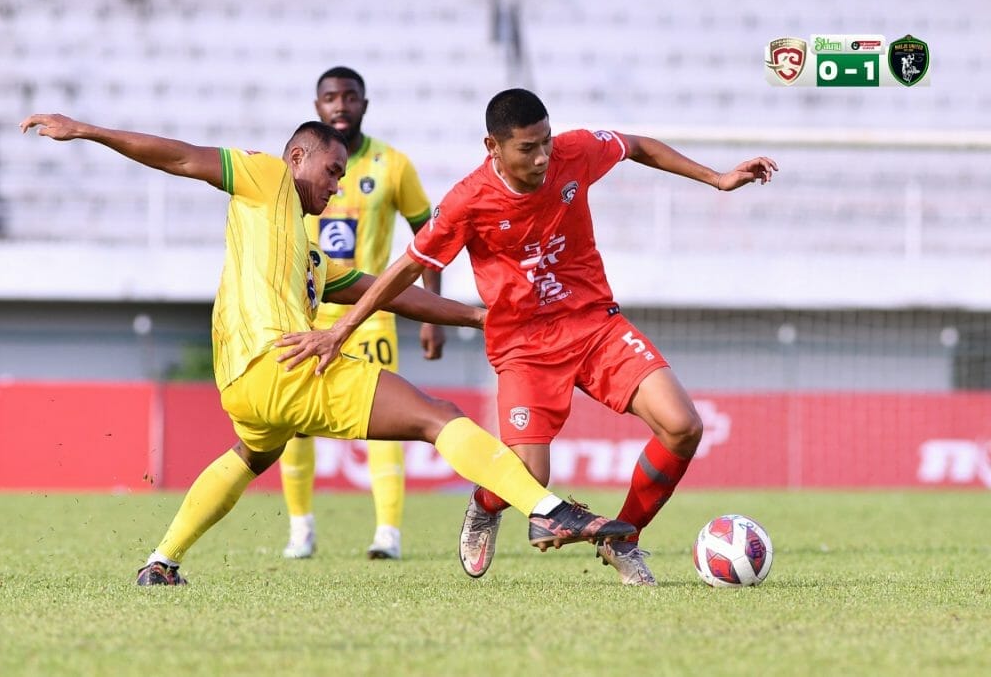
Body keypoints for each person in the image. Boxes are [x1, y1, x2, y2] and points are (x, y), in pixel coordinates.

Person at [19, 111, 636, 586]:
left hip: (243, 386)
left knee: (250, 455)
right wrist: (88, 131)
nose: (336, 188)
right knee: (437, 416)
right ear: (297, 157)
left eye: (342, 175)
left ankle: (161, 561)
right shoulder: (265, 177)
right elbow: (181, 157)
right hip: (281, 364)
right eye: (331, 172)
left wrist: (480, 317)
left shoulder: (307, 255)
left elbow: (382, 292)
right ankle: (547, 509)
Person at [281, 88, 778, 586]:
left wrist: (717, 179)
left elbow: (637, 146)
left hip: (594, 324)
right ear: (493, 147)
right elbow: (408, 267)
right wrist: (341, 329)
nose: (542, 157)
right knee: (530, 477)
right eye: (527, 148)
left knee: (683, 426)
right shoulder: (468, 200)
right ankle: (485, 503)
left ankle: (623, 540)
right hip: (524, 345)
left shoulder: (575, 151)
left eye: (546, 142)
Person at [279, 66, 444, 562]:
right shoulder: (294, 165)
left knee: (384, 417)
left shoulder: (392, 164)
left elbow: (430, 237)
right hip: (306, 313)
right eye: (330, 97)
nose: (340, 105)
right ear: (317, 107)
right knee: (293, 422)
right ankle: (301, 529)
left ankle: (387, 533)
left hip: (372, 314)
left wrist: (432, 314)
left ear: (364, 105)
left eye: (350, 97)